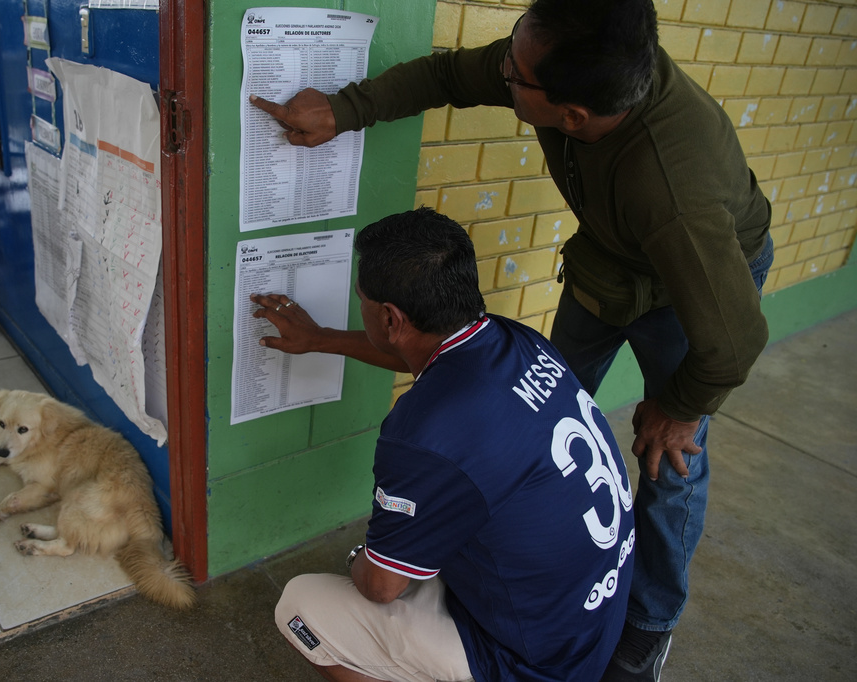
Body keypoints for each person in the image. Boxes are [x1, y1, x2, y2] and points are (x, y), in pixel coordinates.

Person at [249, 1, 775, 680]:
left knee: (669, 460)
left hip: (703, 289)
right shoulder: (512, 341)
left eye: (516, 74)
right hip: (611, 262)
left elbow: (734, 342)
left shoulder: (674, 191)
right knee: (538, 423)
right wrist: (348, 109)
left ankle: (646, 629)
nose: (503, 71)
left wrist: (679, 407)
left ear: (573, 114)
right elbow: (447, 75)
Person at [254, 207, 635, 681]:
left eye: (363, 300)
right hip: (589, 624)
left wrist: (360, 559)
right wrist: (321, 339)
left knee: (301, 606)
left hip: (534, 664)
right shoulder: (516, 340)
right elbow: (418, 352)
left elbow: (381, 587)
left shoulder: (426, 436)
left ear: (390, 318)